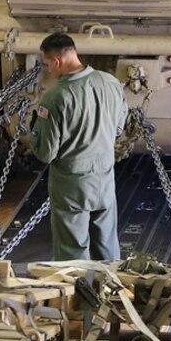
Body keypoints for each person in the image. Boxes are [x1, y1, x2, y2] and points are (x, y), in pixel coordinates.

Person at [25, 33, 128, 260]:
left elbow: (45, 152)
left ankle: (80, 292)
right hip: (104, 178)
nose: (48, 70)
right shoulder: (110, 82)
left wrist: (35, 130)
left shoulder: (56, 97)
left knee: (72, 251)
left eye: (47, 65)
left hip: (72, 185)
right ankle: (111, 289)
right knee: (107, 245)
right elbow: (119, 128)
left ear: (57, 62)